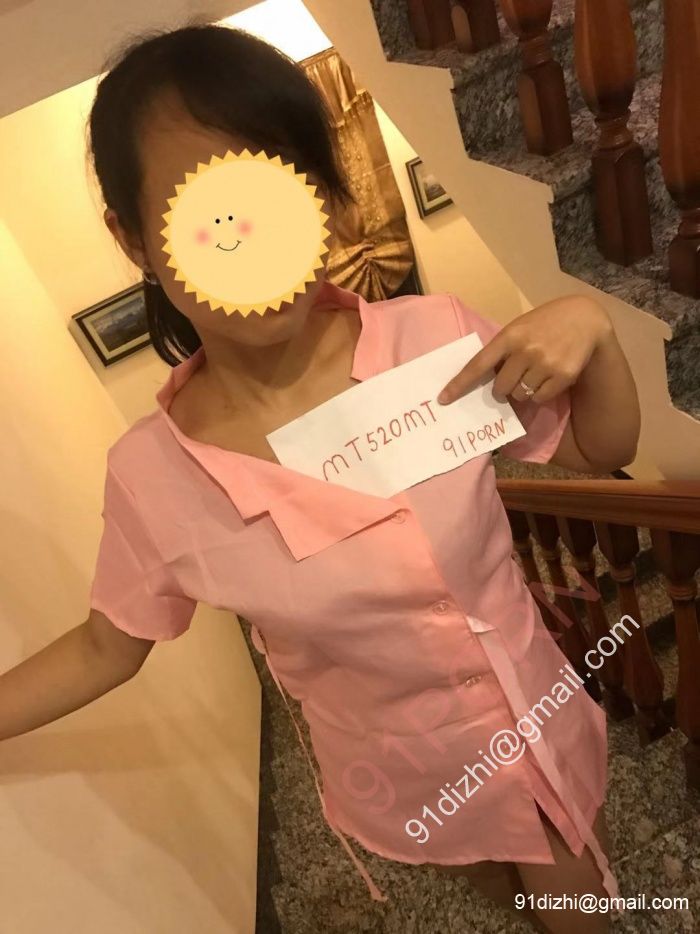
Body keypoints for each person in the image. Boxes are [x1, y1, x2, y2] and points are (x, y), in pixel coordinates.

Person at [0, 22, 640, 934]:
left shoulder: (433, 339)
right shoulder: (153, 476)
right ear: (136, 238)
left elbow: (598, 449)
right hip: (403, 782)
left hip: (536, 719)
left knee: (582, 909)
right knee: (513, 902)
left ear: (326, 200)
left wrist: (594, 329)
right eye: (201, 207)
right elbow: (106, 646)